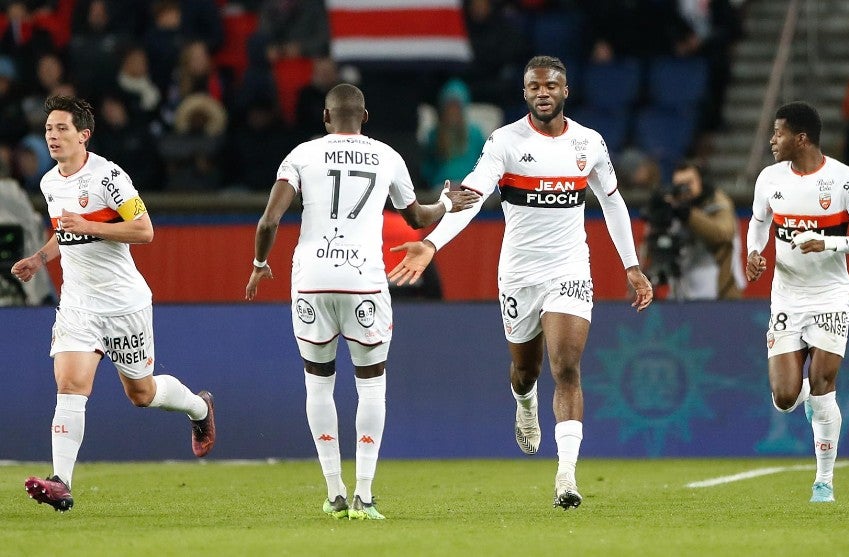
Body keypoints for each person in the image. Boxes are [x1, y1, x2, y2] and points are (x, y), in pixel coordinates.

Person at [388, 56, 654, 510]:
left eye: (551, 85)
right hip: (518, 275)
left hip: (569, 268)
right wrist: (431, 244)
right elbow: (471, 197)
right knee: (525, 371)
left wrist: (630, 264)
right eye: (534, 86)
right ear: (525, 92)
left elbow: (613, 202)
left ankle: (566, 478)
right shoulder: (505, 142)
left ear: (565, 91)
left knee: (566, 367)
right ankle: (525, 402)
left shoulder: (589, 143)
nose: (542, 93)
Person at [244, 83, 479, 520]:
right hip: (364, 281)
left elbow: (269, 219)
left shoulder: (301, 155)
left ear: (326, 118)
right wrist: (447, 200)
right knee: (371, 384)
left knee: (319, 382)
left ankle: (334, 491)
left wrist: (260, 263)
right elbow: (417, 219)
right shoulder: (387, 156)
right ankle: (364, 495)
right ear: (365, 117)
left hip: (312, 280)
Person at [10, 95, 216, 512]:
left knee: (141, 393)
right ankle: (61, 483)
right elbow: (63, 233)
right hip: (78, 305)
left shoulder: (109, 177)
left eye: (62, 128)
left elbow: (144, 230)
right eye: (49, 129)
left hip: (124, 304)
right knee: (70, 385)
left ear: (84, 135)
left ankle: (199, 407)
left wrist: (88, 224)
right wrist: (40, 258)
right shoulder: (50, 182)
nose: (53, 135)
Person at [745, 101, 849, 503]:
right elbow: (759, 223)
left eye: (779, 133)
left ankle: (823, 481)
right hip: (787, 294)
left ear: (800, 138)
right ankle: (803, 399)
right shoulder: (769, 179)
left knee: (824, 384)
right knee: (785, 398)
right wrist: (755, 253)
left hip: (830, 295)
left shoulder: (844, 180)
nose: (772, 140)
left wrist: (829, 241)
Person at [641, 160, 744, 300]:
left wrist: (688, 215)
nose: (684, 189)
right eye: (679, 185)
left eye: (689, 183)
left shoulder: (719, 204)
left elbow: (723, 234)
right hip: (684, 292)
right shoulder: (674, 208)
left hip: (719, 292)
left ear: (702, 182)